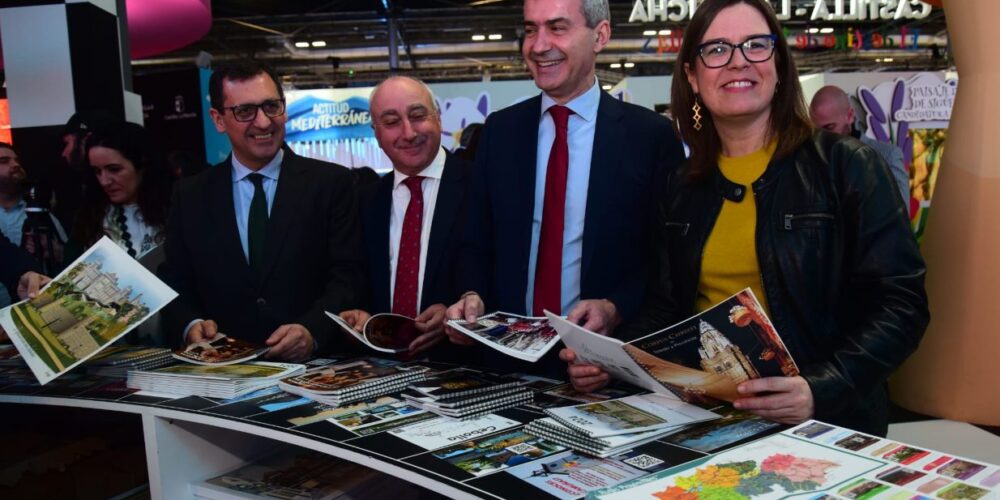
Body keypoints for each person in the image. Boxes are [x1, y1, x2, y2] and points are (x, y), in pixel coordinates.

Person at [563, 0, 928, 436]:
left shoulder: (846, 166)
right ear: (693, 78)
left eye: (755, 45)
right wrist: (615, 360)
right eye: (716, 50)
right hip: (706, 423)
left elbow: (902, 305)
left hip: (827, 423)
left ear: (778, 64)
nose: (738, 62)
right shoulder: (681, 186)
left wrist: (821, 388)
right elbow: (666, 308)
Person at [446, 0, 686, 375]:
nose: (539, 45)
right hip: (506, 363)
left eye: (557, 28)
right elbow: (476, 237)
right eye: (530, 29)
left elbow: (666, 258)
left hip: (603, 363)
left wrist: (615, 306)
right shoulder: (501, 131)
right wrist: (470, 295)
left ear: (600, 35)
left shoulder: (650, 137)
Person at [158, 60, 365, 362]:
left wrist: (313, 330)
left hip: (314, 371)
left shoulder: (331, 183)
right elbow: (175, 280)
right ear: (218, 119)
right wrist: (190, 324)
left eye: (271, 106)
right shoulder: (191, 195)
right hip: (222, 372)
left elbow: (349, 276)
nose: (264, 122)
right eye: (245, 111)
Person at [338, 76, 472, 359]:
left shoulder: (481, 186)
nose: (408, 132)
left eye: (417, 116)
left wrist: (457, 313)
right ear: (376, 133)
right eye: (391, 122)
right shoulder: (365, 201)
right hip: (384, 371)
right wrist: (362, 315)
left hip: (464, 368)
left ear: (438, 117)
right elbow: (359, 281)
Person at [69, 122, 173, 260]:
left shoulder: (177, 208)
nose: (104, 181)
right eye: (97, 171)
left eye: (114, 169)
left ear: (142, 163)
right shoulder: (89, 219)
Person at [810, 85, 910, 204]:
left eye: (830, 127)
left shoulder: (887, 156)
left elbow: (901, 216)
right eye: (817, 131)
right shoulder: (812, 161)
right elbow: (789, 217)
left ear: (850, 116)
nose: (823, 137)